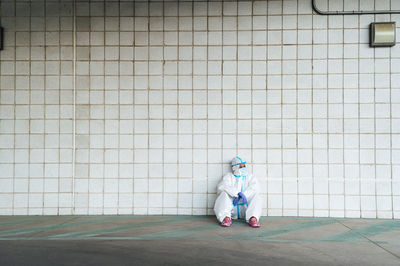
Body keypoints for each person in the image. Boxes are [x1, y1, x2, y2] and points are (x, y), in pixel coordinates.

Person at [213, 156, 262, 228]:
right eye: (240, 166)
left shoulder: (250, 177)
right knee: (224, 194)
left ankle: (253, 218)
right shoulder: (229, 176)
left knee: (256, 196)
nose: (243, 168)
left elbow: (255, 187)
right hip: (232, 207)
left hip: (246, 207)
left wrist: (243, 195)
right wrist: (236, 193)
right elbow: (222, 186)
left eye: (244, 166)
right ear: (235, 167)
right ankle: (225, 218)